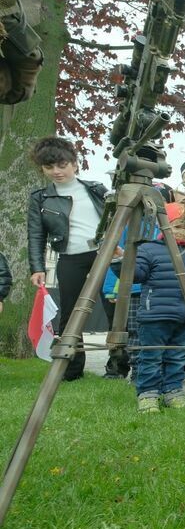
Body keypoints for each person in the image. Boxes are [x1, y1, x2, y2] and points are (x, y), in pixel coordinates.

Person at [26, 136, 120, 380]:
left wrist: (115, 248)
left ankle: (119, 366)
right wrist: (37, 267)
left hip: (102, 253)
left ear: (75, 164)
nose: (56, 172)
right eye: (49, 167)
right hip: (69, 257)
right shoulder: (40, 198)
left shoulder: (96, 189)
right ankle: (72, 369)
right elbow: (35, 235)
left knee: (116, 309)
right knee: (71, 314)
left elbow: (116, 221)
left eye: (62, 165)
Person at [131, 203, 185, 412]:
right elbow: (136, 274)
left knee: (177, 357)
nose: (183, 230)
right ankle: (148, 394)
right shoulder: (148, 249)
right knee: (151, 356)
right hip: (156, 315)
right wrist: (119, 260)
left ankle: (173, 392)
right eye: (177, 225)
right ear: (164, 227)